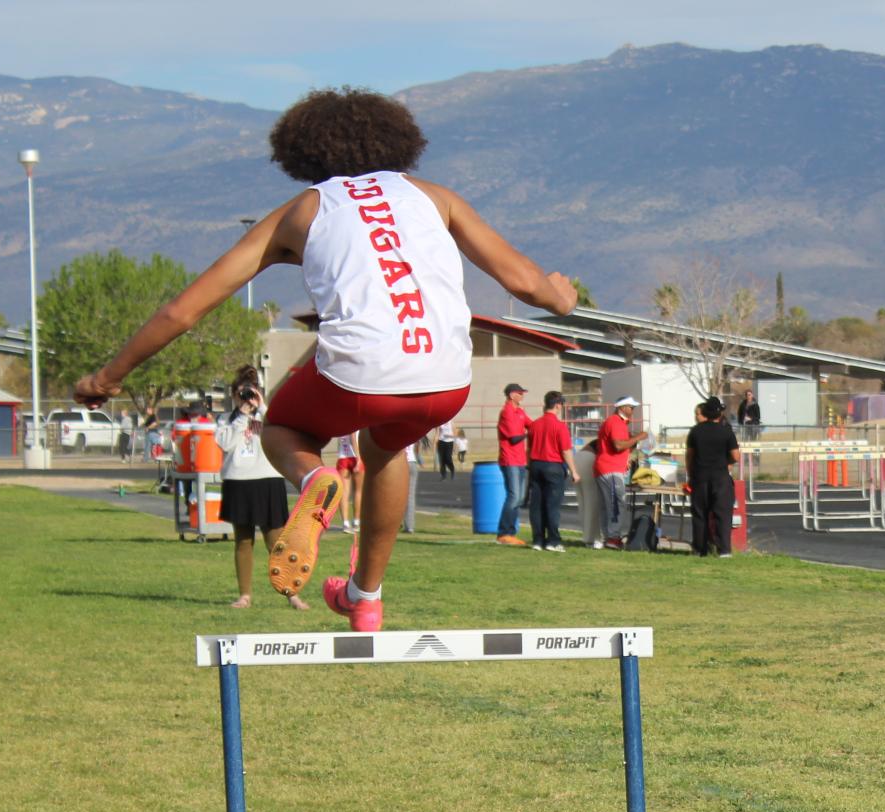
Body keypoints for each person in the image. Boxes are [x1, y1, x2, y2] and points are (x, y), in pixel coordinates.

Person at [70, 87, 576, 631]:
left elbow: (182, 313)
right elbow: (527, 284)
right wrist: (563, 296)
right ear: (397, 141)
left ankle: (314, 481)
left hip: (358, 374)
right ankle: (365, 599)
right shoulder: (435, 197)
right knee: (389, 448)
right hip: (448, 378)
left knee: (283, 429)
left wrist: (108, 376)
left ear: (303, 154)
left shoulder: (302, 210)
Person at [217, 369, 311, 612]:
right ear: (233, 395)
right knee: (243, 541)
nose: (247, 398)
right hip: (238, 481)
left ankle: (292, 594)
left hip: (267, 480)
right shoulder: (227, 420)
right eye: (242, 394)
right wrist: (241, 416)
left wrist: (261, 406)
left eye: (251, 392)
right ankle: (244, 595)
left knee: (277, 542)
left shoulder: (268, 416)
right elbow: (224, 443)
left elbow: (279, 430)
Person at [685, 395, 739, 557]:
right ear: (720, 414)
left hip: (700, 476)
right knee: (722, 514)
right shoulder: (726, 432)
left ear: (705, 413)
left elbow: (690, 455)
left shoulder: (695, 431)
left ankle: (700, 549)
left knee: (700, 513)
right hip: (720, 477)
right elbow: (735, 456)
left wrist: (691, 474)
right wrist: (726, 461)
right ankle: (724, 550)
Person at [592, 395, 648, 549]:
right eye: (631, 407)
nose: (633, 410)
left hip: (607, 467)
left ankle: (609, 536)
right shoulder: (615, 422)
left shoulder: (617, 422)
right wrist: (638, 437)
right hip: (610, 469)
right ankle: (613, 536)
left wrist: (625, 459)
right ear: (622, 408)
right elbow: (618, 445)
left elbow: (618, 447)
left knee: (607, 505)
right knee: (617, 503)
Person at [526, 389, 577, 551]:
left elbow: (529, 449)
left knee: (537, 505)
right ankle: (553, 540)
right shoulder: (559, 426)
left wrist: (529, 465)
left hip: (535, 464)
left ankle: (538, 540)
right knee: (552, 505)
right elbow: (566, 451)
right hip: (553, 466)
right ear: (557, 406)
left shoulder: (534, 425)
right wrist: (574, 471)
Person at [494, 383, 531, 546]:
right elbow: (514, 437)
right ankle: (504, 532)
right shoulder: (507, 412)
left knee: (520, 497)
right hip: (510, 460)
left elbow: (532, 425)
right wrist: (527, 433)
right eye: (520, 393)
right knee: (514, 496)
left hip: (520, 460)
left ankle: (510, 532)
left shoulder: (520, 411)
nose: (522, 395)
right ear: (511, 395)